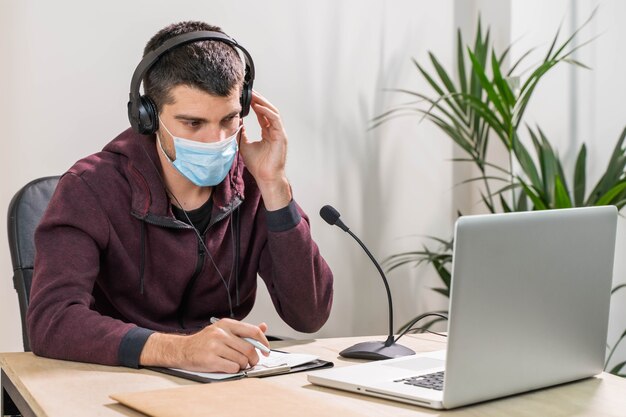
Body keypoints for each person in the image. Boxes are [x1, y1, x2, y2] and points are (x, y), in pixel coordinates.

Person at [26, 21, 333, 374]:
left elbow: (309, 315)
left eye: (229, 119)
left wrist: (274, 185)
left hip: (220, 384)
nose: (215, 139)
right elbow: (52, 320)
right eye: (193, 123)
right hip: (112, 380)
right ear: (148, 116)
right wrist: (179, 350)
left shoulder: (253, 183)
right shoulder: (89, 188)